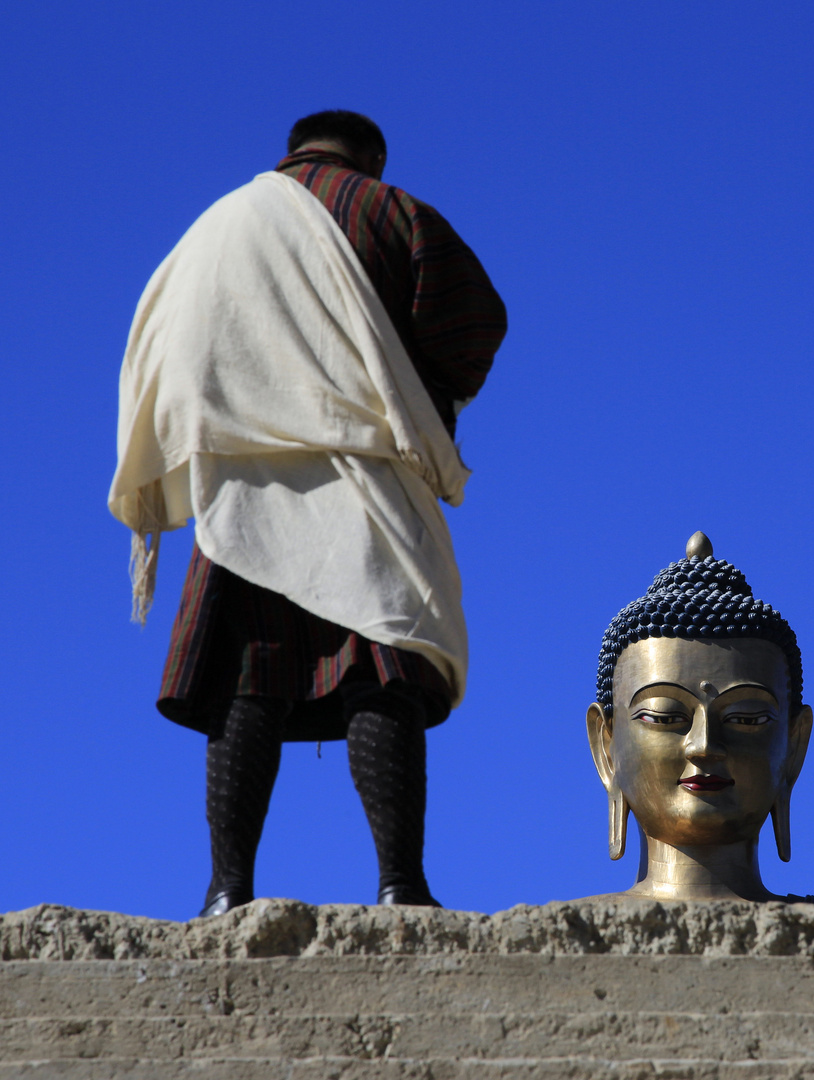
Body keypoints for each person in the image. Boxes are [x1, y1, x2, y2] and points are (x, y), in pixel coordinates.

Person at [109, 110, 507, 916]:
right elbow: (472, 322)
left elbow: (157, 346)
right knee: (383, 671)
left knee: (245, 686)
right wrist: (419, 390)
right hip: (361, 470)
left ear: (290, 153)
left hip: (238, 491)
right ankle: (401, 886)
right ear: (372, 157)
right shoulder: (392, 210)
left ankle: (227, 892)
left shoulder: (213, 226)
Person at [582, 532, 814, 906]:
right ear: (606, 748)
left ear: (794, 746)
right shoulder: (573, 930)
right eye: (665, 716)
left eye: (746, 719)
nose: (704, 746)